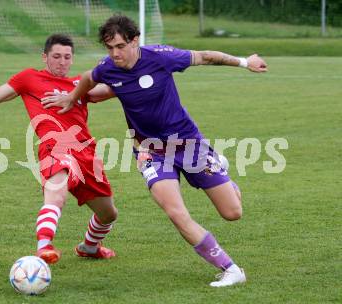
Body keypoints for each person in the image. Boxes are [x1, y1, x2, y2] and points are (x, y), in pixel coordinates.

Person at [44, 15, 268, 287]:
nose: (115, 53)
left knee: (232, 212)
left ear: (135, 41)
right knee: (175, 212)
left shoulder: (161, 57)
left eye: (120, 46)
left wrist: (246, 62)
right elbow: (90, 78)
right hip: (151, 152)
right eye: (109, 47)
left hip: (188, 144)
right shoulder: (107, 68)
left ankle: (222, 172)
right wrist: (72, 96)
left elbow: (206, 56)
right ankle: (231, 269)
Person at [0, 34, 118, 265]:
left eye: (67, 57)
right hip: (55, 147)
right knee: (56, 194)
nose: (62, 62)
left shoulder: (79, 84)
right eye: (56, 56)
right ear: (44, 57)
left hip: (87, 154)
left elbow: (109, 91)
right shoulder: (29, 78)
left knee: (108, 214)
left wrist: (124, 73)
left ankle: (89, 247)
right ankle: (44, 246)